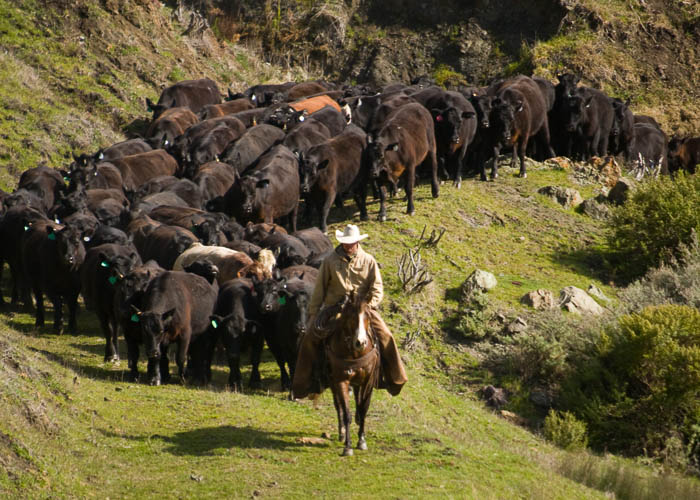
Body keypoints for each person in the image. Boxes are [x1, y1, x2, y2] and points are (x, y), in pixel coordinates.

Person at [292, 224, 408, 399]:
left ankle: (391, 377)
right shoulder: (329, 261)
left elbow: (377, 288)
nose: (348, 246)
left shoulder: (369, 260)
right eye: (345, 243)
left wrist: (368, 305)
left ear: (357, 242)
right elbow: (320, 289)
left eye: (351, 243)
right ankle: (306, 382)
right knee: (309, 337)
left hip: (362, 308)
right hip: (334, 309)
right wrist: (314, 313)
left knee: (386, 335)